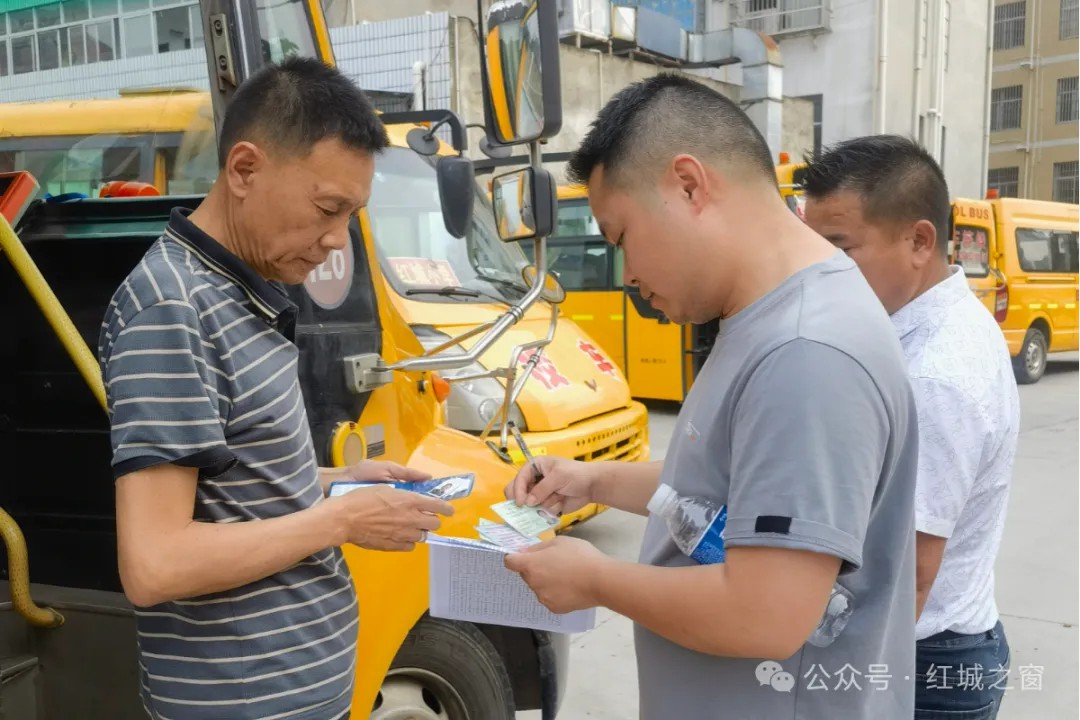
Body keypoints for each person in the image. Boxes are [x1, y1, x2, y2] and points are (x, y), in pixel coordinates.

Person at [503, 73, 921, 719]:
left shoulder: (806, 352)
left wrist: (593, 578)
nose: (630, 274)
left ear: (690, 185)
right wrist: (590, 481)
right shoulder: (760, 316)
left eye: (622, 239)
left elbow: (766, 616)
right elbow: (730, 489)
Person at [98, 57, 454, 720]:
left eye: (351, 214)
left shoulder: (237, 292)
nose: (333, 239)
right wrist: (342, 519)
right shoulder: (172, 307)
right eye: (327, 208)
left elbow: (229, 484)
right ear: (243, 169)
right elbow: (155, 562)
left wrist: (332, 483)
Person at [801, 135, 1019, 719]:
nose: (822, 271)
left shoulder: (935, 375)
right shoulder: (923, 327)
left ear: (920, 240)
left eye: (841, 248)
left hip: (927, 667)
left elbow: (908, 582)